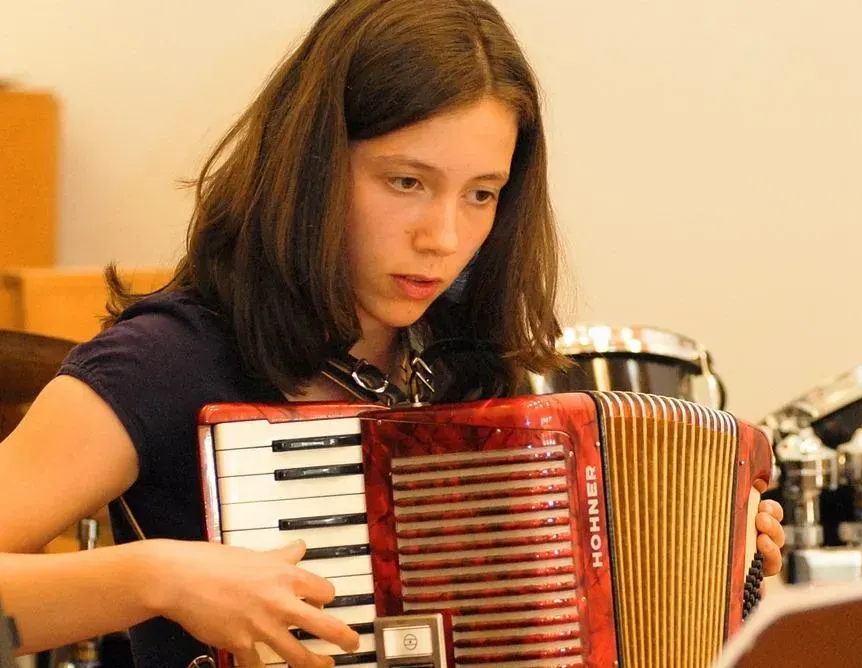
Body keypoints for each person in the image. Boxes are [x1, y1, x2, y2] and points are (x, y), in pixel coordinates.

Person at [0, 0, 786, 666]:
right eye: (406, 182)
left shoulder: (464, 364)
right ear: (309, 167)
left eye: (481, 195)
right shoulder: (169, 359)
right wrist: (156, 578)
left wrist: (714, 561)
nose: (443, 237)